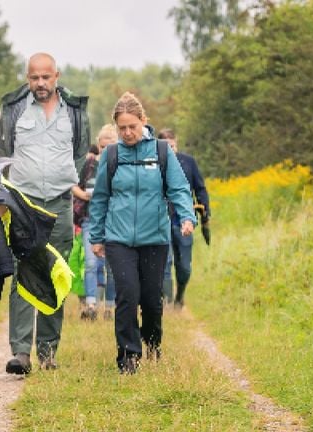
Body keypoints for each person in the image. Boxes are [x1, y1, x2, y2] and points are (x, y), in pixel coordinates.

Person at [88, 92, 196, 375]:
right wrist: (97, 236)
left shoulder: (161, 152)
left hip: (155, 239)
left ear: (143, 122)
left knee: (150, 299)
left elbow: (179, 188)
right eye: (121, 128)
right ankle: (128, 357)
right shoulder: (111, 155)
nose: (127, 133)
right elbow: (100, 197)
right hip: (118, 239)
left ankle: (152, 343)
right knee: (127, 294)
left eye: (132, 127)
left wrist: (187, 216)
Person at [0, 52, 90, 374]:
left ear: (56, 76)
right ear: (27, 78)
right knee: (23, 270)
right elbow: (4, 152)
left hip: (60, 204)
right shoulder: (14, 108)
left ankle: (48, 352)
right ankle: (20, 353)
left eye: (45, 77)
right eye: (34, 77)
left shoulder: (75, 112)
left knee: (57, 273)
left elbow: (80, 152)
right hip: (25, 202)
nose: (40, 83)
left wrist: (66, 178)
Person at [157, 128, 211, 308]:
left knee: (184, 266)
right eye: (166, 147)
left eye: (172, 146)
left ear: (176, 143)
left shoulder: (188, 162)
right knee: (164, 263)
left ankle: (180, 296)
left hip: (183, 221)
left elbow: (200, 188)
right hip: (161, 221)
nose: (170, 150)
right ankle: (167, 303)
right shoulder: (154, 164)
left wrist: (205, 213)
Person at [75, 124, 118, 321]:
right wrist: (84, 195)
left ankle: (110, 307)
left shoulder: (121, 165)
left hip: (114, 221)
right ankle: (91, 304)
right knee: (91, 263)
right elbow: (71, 184)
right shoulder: (89, 165)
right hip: (90, 220)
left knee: (112, 266)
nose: (105, 151)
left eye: (109, 147)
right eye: (102, 147)